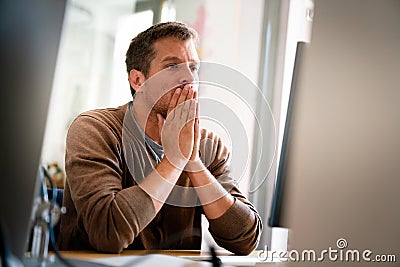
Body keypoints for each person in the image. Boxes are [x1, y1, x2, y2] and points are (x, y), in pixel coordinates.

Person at [58, 21, 262, 255]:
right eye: (172, 67)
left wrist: (193, 161)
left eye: (193, 68)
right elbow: (108, 234)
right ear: (138, 81)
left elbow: (246, 239)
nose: (189, 77)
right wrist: (174, 161)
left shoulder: (207, 146)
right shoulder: (95, 130)